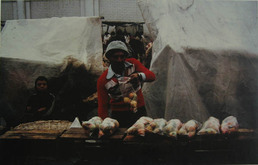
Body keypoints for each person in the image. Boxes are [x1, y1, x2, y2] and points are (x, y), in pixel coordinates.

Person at [97, 40, 156, 127]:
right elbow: (103, 106)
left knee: (141, 135)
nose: (119, 60)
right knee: (122, 138)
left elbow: (152, 76)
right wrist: (103, 126)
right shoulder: (103, 80)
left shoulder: (133, 64)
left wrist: (139, 76)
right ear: (109, 58)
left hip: (139, 109)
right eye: (115, 57)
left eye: (122, 56)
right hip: (119, 114)